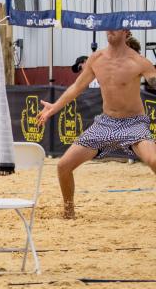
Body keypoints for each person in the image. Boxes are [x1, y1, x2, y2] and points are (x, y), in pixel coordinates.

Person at [38, 28, 156, 219]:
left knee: (154, 160)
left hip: (134, 123)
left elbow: (153, 80)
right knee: (63, 166)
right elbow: (77, 87)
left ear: (126, 32)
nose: (110, 29)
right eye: (108, 25)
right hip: (106, 123)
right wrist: (54, 107)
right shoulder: (96, 58)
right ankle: (69, 212)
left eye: (115, 26)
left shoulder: (139, 62)